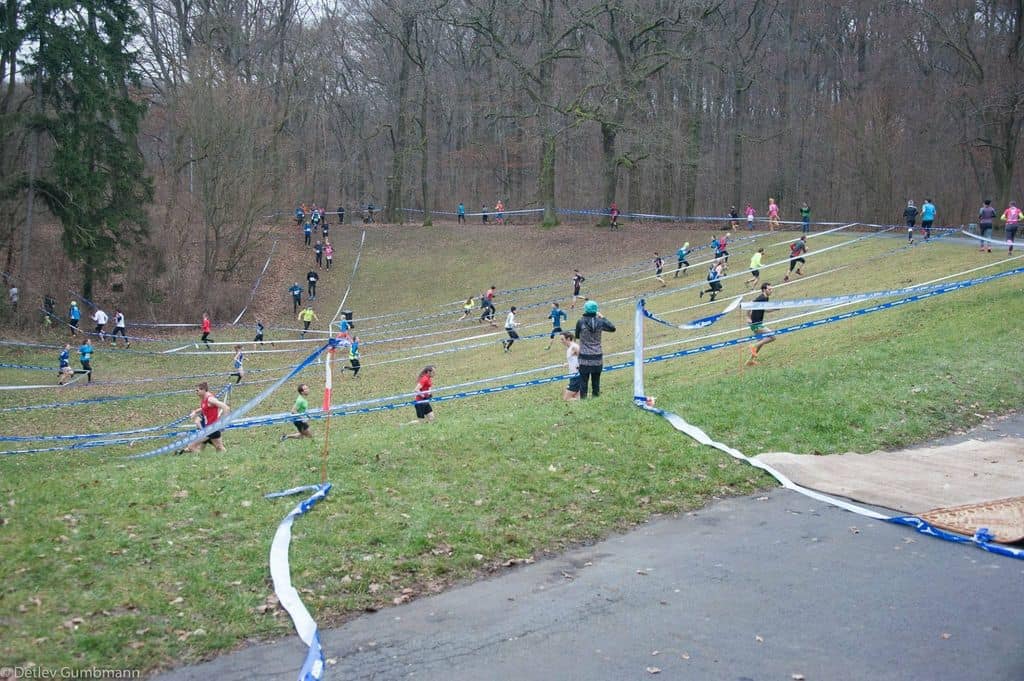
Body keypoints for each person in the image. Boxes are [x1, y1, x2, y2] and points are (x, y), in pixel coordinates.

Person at [574, 300, 615, 398]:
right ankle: (596, 399)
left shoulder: (580, 322)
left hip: (584, 357)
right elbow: (612, 328)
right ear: (596, 310)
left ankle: (584, 400)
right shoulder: (600, 322)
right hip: (597, 356)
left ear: (585, 309)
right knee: (596, 382)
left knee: (583, 382)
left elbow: (577, 336)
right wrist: (602, 317)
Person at [181, 382, 230, 453]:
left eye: (197, 390)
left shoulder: (210, 399)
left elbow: (226, 407)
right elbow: (205, 408)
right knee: (220, 448)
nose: (196, 392)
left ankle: (200, 458)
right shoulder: (204, 398)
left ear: (203, 390)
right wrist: (195, 412)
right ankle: (227, 457)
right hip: (210, 428)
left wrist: (223, 423)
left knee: (191, 446)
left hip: (211, 428)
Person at [746, 282, 776, 366]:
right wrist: (747, 317)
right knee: (772, 337)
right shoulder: (761, 298)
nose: (771, 291)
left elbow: (765, 310)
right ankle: (753, 346)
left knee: (761, 342)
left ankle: (750, 361)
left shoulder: (766, 298)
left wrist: (775, 309)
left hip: (757, 322)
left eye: (771, 289)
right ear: (764, 290)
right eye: (769, 289)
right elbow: (750, 304)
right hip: (755, 323)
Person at [560, 331, 581, 400]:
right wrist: (568, 364)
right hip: (573, 375)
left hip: (576, 375)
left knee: (566, 398)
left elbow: (583, 357)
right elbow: (575, 359)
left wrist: (580, 366)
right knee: (577, 397)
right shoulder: (569, 348)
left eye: (562, 339)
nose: (561, 341)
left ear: (568, 339)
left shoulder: (574, 347)